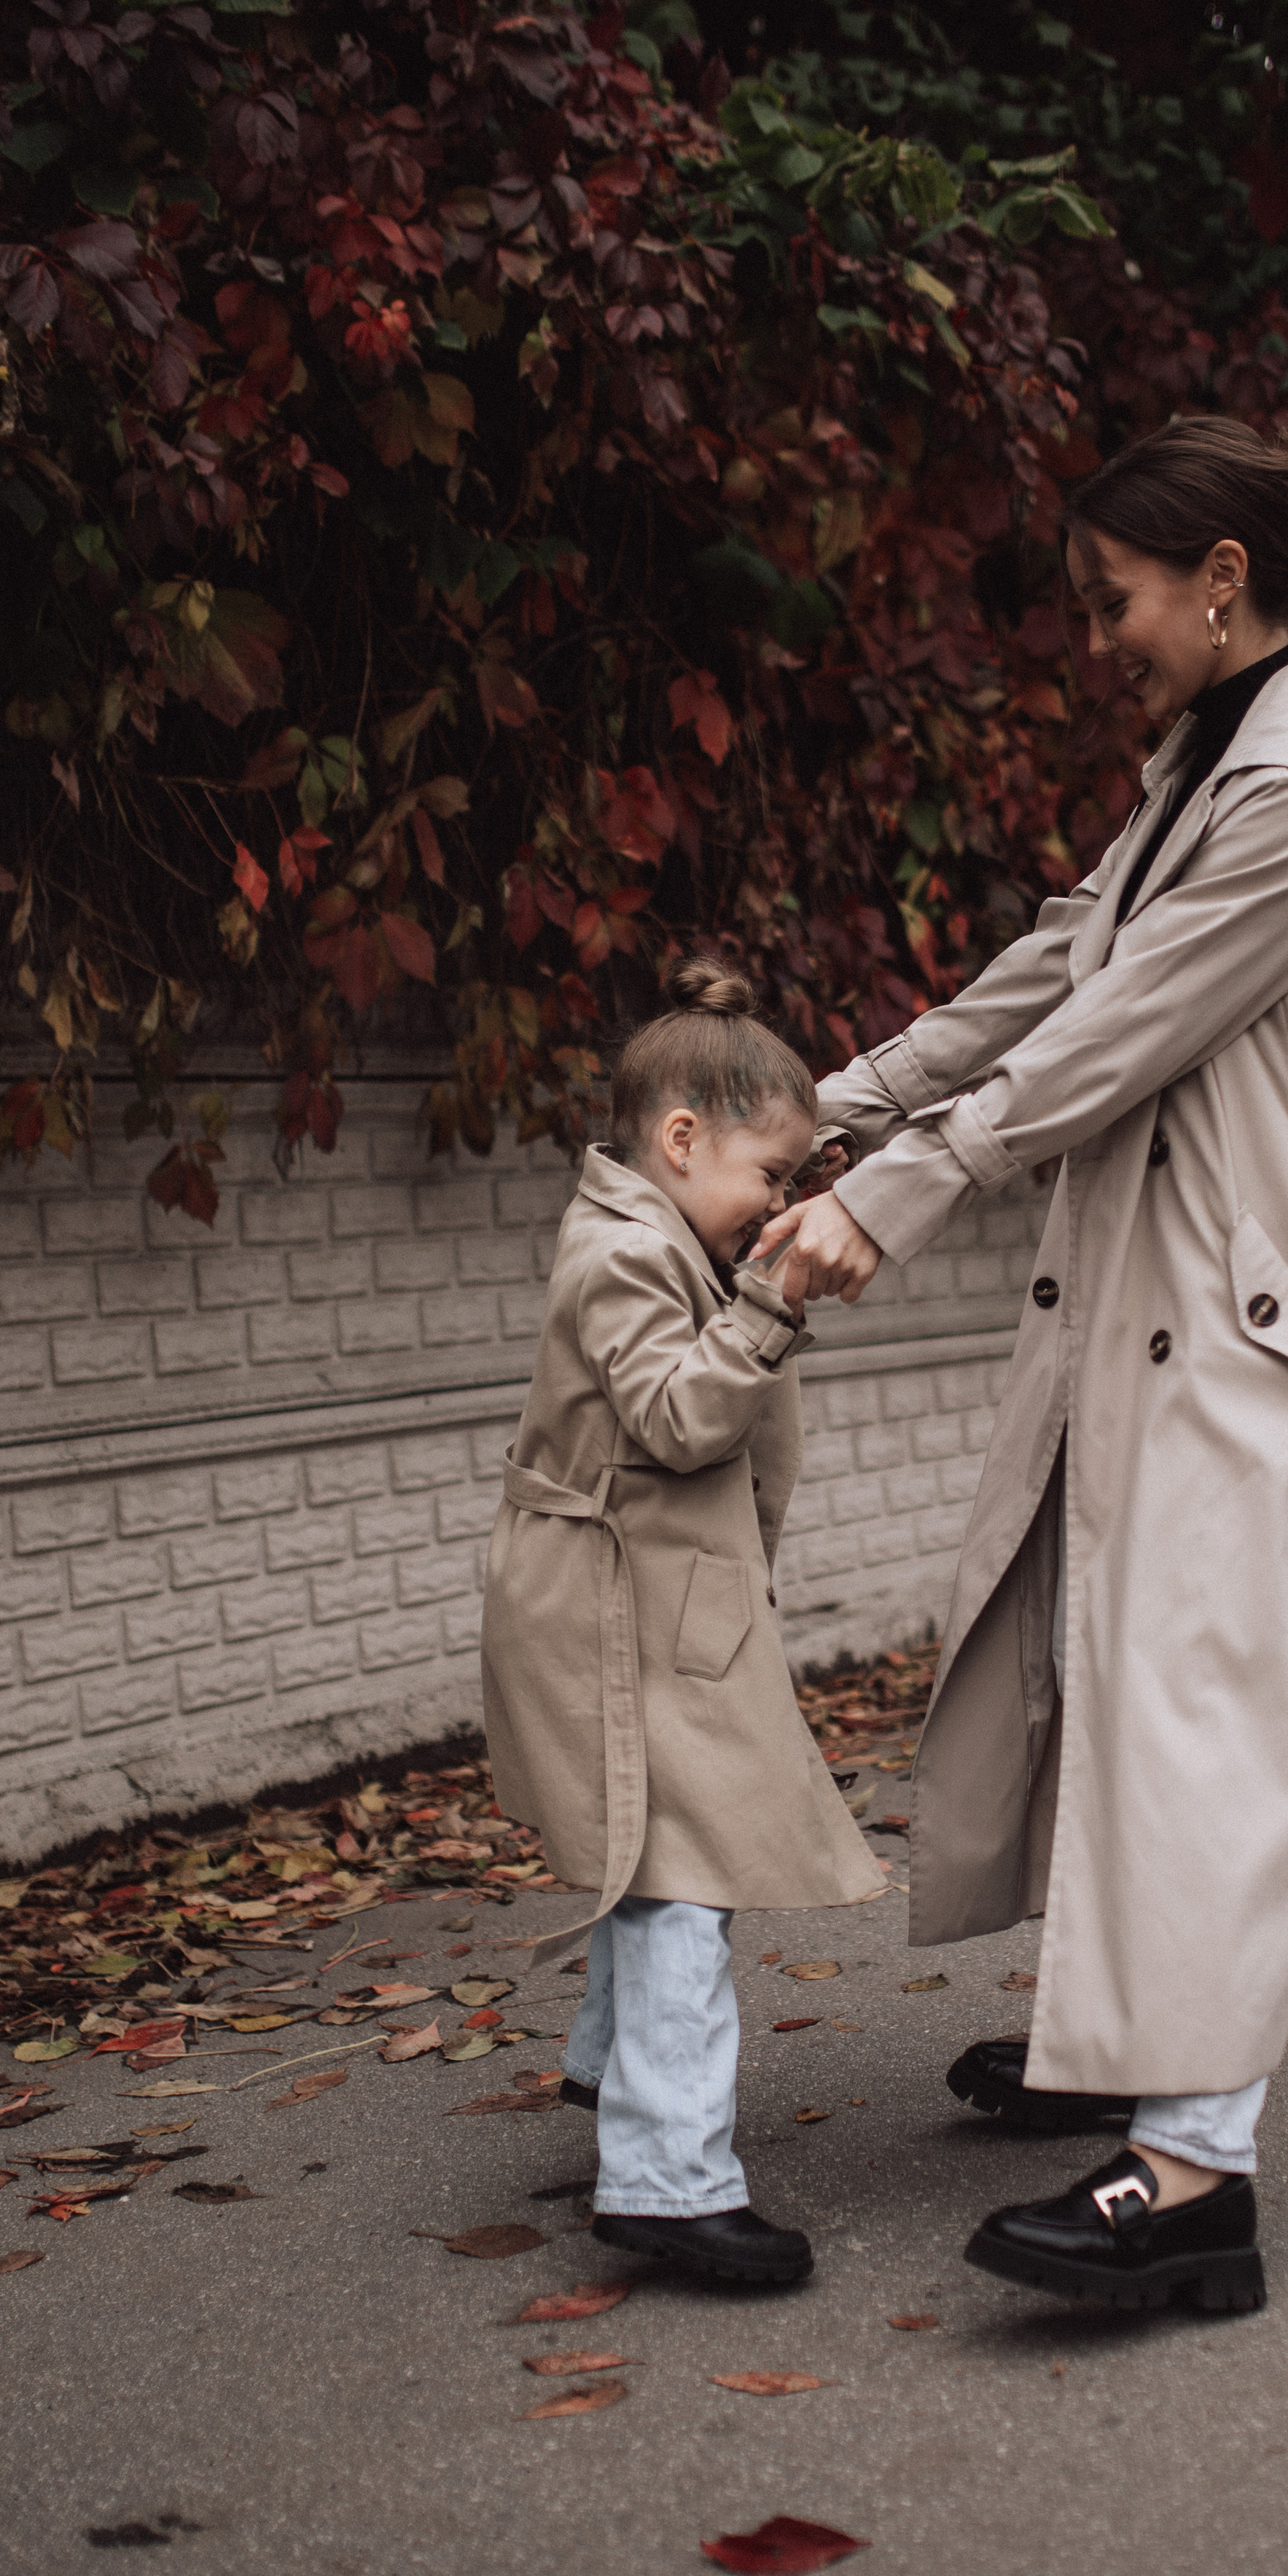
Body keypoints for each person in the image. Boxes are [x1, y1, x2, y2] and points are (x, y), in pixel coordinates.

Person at [752, 409, 1288, 2314]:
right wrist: (823, 1100)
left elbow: (1120, 1031)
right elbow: (1071, 955)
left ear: (1223, 583)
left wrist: (890, 1190)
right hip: (1185, 1278)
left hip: (1262, 1314)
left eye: (1116, 600)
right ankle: (1129, 2051)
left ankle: (1193, 2183)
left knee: (1210, 1713)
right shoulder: (1215, 759)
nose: (1098, 637)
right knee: (1108, 1669)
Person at [480, 965, 884, 2288]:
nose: (779, 1205)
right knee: (678, 1883)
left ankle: (612, 2077)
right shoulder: (623, 1255)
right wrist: (771, 1304)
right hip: (616, 1617)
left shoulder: (670, 1238)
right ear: (681, 1142)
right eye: (769, 1176)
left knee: (652, 1847)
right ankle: (668, 2183)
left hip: (661, 1607)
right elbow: (673, 1416)